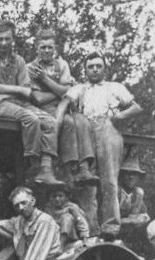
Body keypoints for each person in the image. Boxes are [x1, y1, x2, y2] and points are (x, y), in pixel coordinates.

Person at [56, 52, 143, 240]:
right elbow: (65, 102)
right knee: (86, 182)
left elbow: (136, 107)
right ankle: (91, 228)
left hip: (108, 127)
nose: (94, 69)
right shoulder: (80, 88)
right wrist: (58, 121)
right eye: (90, 67)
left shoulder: (114, 87)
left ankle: (110, 226)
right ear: (85, 70)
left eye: (98, 66)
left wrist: (119, 116)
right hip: (86, 130)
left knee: (109, 178)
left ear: (105, 68)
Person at [0, 20, 61, 185]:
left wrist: (4, 94)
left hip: (17, 102)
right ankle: (32, 163)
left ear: (13, 40)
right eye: (0, 39)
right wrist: (15, 91)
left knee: (50, 121)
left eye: (7, 39)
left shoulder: (19, 61)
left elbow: (27, 91)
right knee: (31, 119)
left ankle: (46, 169)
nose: (3, 43)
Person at [28, 30, 97, 187]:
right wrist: (61, 91)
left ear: (55, 48)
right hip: (42, 109)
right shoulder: (31, 68)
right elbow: (38, 98)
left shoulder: (62, 65)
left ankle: (82, 168)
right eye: (43, 47)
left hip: (64, 108)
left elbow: (69, 92)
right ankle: (67, 169)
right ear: (36, 48)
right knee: (68, 123)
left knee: (81, 122)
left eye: (50, 47)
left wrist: (45, 80)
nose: (46, 51)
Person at [43, 182, 90, 251]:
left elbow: (81, 223)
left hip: (70, 238)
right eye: (54, 196)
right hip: (53, 238)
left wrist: (85, 239)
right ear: (50, 198)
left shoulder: (71, 207)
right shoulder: (48, 209)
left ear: (66, 197)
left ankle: (61, 245)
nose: (57, 199)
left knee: (66, 217)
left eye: (60, 196)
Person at [118, 155, 150, 248]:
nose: (131, 177)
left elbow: (145, 215)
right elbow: (109, 221)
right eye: (127, 173)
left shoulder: (138, 193)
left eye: (134, 174)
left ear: (138, 177)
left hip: (130, 235)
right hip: (114, 232)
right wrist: (131, 220)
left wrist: (142, 218)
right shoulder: (116, 192)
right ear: (122, 175)